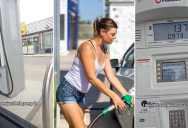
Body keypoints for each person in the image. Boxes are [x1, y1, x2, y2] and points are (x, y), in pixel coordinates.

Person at [56, 18, 135, 128]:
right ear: (103, 32)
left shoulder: (105, 50)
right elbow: (92, 78)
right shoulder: (87, 47)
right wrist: (114, 96)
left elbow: (111, 76)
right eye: (112, 34)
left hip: (80, 94)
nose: (115, 37)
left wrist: (125, 94)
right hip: (67, 91)